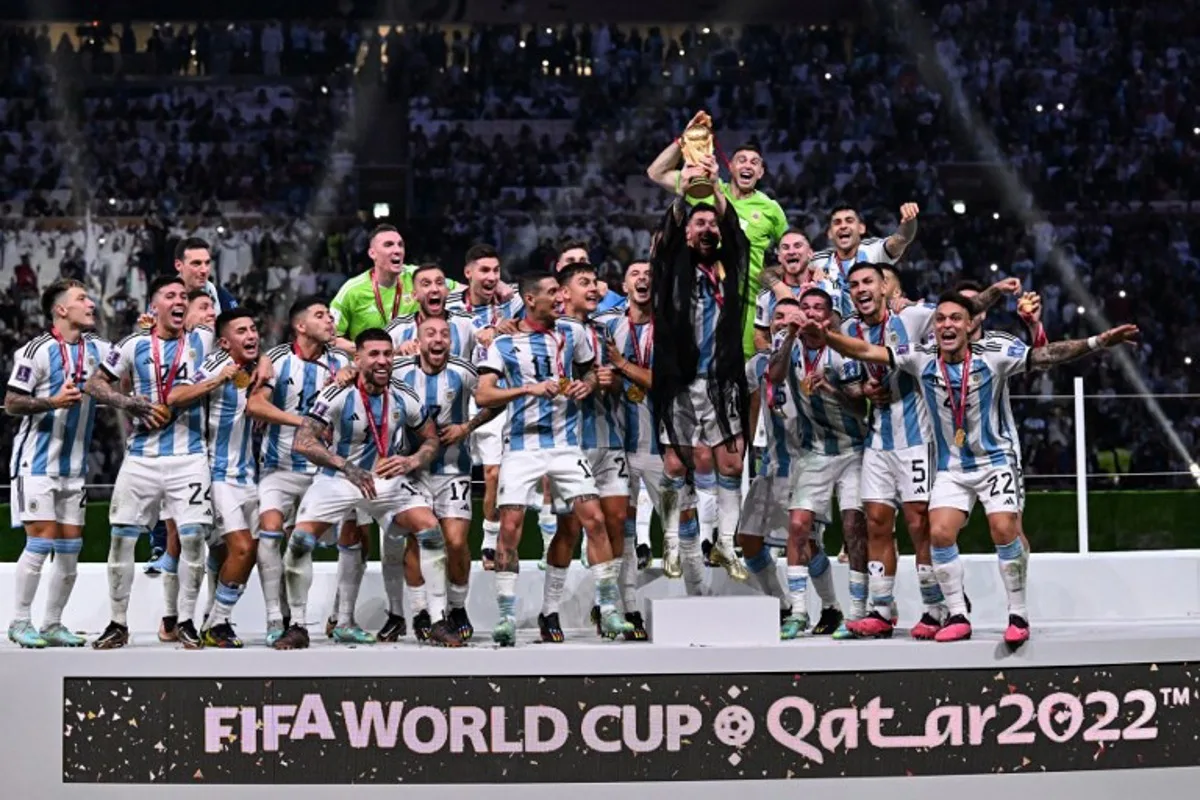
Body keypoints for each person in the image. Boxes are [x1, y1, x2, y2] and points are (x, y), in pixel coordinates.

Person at [803, 292, 1139, 645]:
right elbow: (868, 351)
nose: (947, 325)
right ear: (934, 328)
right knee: (940, 533)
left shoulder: (994, 356)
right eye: (941, 319)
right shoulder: (920, 359)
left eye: (955, 319)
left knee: (1003, 528)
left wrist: (1098, 341)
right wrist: (826, 338)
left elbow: (1046, 355)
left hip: (995, 462)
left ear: (969, 325)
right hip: (952, 467)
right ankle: (958, 615)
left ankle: (1018, 615)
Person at [840, 266, 1022, 639]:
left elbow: (962, 313)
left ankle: (936, 609)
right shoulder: (846, 330)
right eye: (854, 284)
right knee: (875, 521)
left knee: (921, 525)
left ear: (887, 287)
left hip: (920, 436)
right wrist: (861, 392)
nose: (863, 289)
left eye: (871, 281)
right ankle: (881, 608)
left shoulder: (915, 317)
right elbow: (849, 382)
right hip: (877, 437)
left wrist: (996, 291)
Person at [274, 328, 460, 649]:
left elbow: (431, 438)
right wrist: (346, 466)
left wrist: (412, 460)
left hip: (386, 482)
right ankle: (298, 625)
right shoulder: (336, 393)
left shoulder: (404, 395)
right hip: (339, 479)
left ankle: (437, 620)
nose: (383, 361)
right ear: (357, 359)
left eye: (387, 354)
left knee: (429, 529)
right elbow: (303, 441)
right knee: (301, 540)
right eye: (373, 354)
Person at [475, 272, 633, 645]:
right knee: (511, 526)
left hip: (566, 446)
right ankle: (507, 618)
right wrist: (528, 388)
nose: (558, 299)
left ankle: (608, 611)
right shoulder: (503, 345)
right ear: (530, 300)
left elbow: (592, 372)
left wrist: (587, 384)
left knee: (593, 520)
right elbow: (484, 395)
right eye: (550, 293)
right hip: (521, 448)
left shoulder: (572, 334)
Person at [85, 275, 215, 650]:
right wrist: (131, 404)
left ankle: (187, 620)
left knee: (192, 538)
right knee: (122, 538)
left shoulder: (203, 340)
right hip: (141, 457)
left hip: (189, 455)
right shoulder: (133, 344)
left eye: (183, 297)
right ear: (153, 306)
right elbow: (95, 384)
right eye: (170, 296)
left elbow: (240, 344)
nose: (179, 301)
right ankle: (117, 623)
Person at [651, 161, 752, 584]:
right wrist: (687, 194)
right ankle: (672, 545)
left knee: (730, 464)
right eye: (699, 223)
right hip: (677, 380)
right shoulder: (670, 265)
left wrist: (714, 189)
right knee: (676, 466)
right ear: (687, 233)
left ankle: (726, 543)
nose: (707, 228)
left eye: (712, 223)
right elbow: (671, 230)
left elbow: (736, 234)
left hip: (722, 380)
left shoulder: (731, 266)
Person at [5, 279, 109, 648]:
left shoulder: (98, 348)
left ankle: (51, 624)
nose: (91, 304)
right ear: (61, 310)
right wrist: (51, 401)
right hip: (36, 463)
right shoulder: (35, 351)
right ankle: (19, 622)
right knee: (41, 540)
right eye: (82, 299)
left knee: (70, 548)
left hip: (74, 468)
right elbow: (12, 403)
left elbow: (124, 366)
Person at [250, 297, 354, 646]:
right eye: (320, 315)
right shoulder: (277, 359)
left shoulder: (341, 362)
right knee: (270, 531)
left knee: (336, 539)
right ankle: (274, 619)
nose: (330, 320)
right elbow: (256, 405)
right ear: (300, 326)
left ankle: (342, 618)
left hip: (324, 473)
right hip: (278, 468)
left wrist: (352, 374)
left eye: (329, 315)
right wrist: (303, 422)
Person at [769, 288, 869, 639]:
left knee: (854, 527)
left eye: (818, 309)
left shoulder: (843, 350)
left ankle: (856, 613)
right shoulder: (789, 342)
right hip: (814, 451)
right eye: (805, 307)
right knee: (798, 526)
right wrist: (790, 335)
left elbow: (861, 409)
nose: (810, 313)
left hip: (854, 449)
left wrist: (831, 389)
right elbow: (775, 377)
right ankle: (798, 611)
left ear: (828, 317)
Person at [646, 111, 788, 358]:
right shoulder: (705, 189)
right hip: (706, 299)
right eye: (741, 160)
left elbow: (788, 251)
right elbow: (655, 173)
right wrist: (685, 139)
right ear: (730, 167)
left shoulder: (771, 209)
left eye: (754, 163)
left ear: (762, 172)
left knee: (745, 375)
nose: (747, 165)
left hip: (749, 304)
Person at [738, 298, 843, 625]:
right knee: (749, 540)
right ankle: (781, 604)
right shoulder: (757, 364)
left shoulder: (812, 358)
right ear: (768, 326)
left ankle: (830, 607)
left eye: (790, 315)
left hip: (808, 463)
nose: (784, 321)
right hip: (771, 464)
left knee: (806, 542)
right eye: (777, 316)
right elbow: (755, 405)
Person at [393, 316, 498, 641]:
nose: (438, 340)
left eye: (444, 335)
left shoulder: (464, 371)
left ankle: (456, 607)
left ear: (451, 342)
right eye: (430, 334)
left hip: (454, 469)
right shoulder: (399, 372)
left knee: (454, 542)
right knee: (419, 539)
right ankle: (422, 610)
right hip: (411, 472)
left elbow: (491, 402)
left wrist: (466, 427)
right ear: (419, 340)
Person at [165, 309, 261, 648]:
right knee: (242, 548)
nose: (251, 336)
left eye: (253, 329)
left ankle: (212, 618)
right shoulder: (213, 365)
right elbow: (175, 396)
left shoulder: (259, 368)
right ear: (223, 342)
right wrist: (219, 378)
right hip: (216, 474)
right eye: (241, 331)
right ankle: (214, 622)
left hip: (249, 475)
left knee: (231, 553)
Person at [558, 263, 640, 639]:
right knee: (571, 529)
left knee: (617, 521)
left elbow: (615, 380)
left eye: (595, 283)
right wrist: (586, 380)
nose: (593, 288)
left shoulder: (605, 329)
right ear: (564, 292)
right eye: (584, 283)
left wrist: (612, 380)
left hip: (611, 439)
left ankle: (607, 607)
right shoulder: (554, 332)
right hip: (572, 443)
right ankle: (549, 611)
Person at [603, 260, 683, 623]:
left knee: (681, 528)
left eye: (650, 274)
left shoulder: (672, 330)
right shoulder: (609, 328)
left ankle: (694, 603)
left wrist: (621, 364)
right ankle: (629, 609)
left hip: (662, 447)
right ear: (624, 286)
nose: (643, 279)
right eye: (635, 274)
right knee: (625, 530)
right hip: (619, 449)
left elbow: (668, 382)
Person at [445, 244, 523, 571]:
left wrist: (512, 325)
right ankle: (450, 543)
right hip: (455, 400)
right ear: (468, 274)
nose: (491, 277)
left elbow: (541, 305)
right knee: (456, 476)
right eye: (484, 271)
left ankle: (489, 540)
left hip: (493, 401)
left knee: (494, 473)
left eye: (496, 271)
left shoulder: (513, 305)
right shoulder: (448, 305)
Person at [331, 225, 502, 352]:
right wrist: (369, 349)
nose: (397, 250)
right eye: (389, 245)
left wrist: (496, 283)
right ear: (372, 253)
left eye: (400, 245)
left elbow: (465, 288)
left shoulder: (418, 276)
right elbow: (330, 338)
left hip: (413, 363)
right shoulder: (352, 290)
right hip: (371, 369)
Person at [811, 205, 920, 319]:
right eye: (837, 222)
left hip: (875, 328)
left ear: (861, 228)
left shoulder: (873, 250)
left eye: (849, 221)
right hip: (836, 329)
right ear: (830, 233)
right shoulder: (819, 260)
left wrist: (909, 221)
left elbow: (901, 239)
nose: (843, 226)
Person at [752, 230, 839, 352]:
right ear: (779, 257)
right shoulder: (765, 295)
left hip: (819, 363)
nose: (791, 251)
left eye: (798, 246)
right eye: (785, 247)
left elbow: (836, 329)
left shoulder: (828, 286)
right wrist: (774, 354)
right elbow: (759, 336)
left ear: (810, 253)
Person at [385, 264, 477, 358]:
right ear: (414, 295)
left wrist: (491, 331)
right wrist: (397, 353)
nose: (434, 289)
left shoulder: (468, 322)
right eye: (426, 284)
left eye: (439, 283)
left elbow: (489, 344)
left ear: (447, 291)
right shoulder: (398, 327)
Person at [175, 236, 238, 313]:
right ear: (178, 265)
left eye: (207, 263)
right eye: (196, 263)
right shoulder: (165, 299)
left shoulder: (222, 297)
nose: (204, 270)